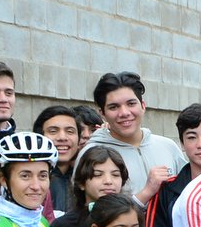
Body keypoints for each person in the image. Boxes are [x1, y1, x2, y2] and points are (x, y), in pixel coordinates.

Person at [75, 72, 186, 207]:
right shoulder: (90, 152)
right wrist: (145, 193)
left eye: (131, 103)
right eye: (114, 107)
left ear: (143, 106)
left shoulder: (168, 146)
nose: (124, 113)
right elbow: (87, 212)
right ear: (102, 113)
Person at [50, 147, 129, 227]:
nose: (108, 181)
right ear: (82, 183)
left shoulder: (132, 218)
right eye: (98, 175)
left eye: (115, 175)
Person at [33, 104, 84, 218]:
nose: (62, 137)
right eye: (53, 131)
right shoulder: (32, 179)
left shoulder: (84, 177)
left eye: (70, 131)